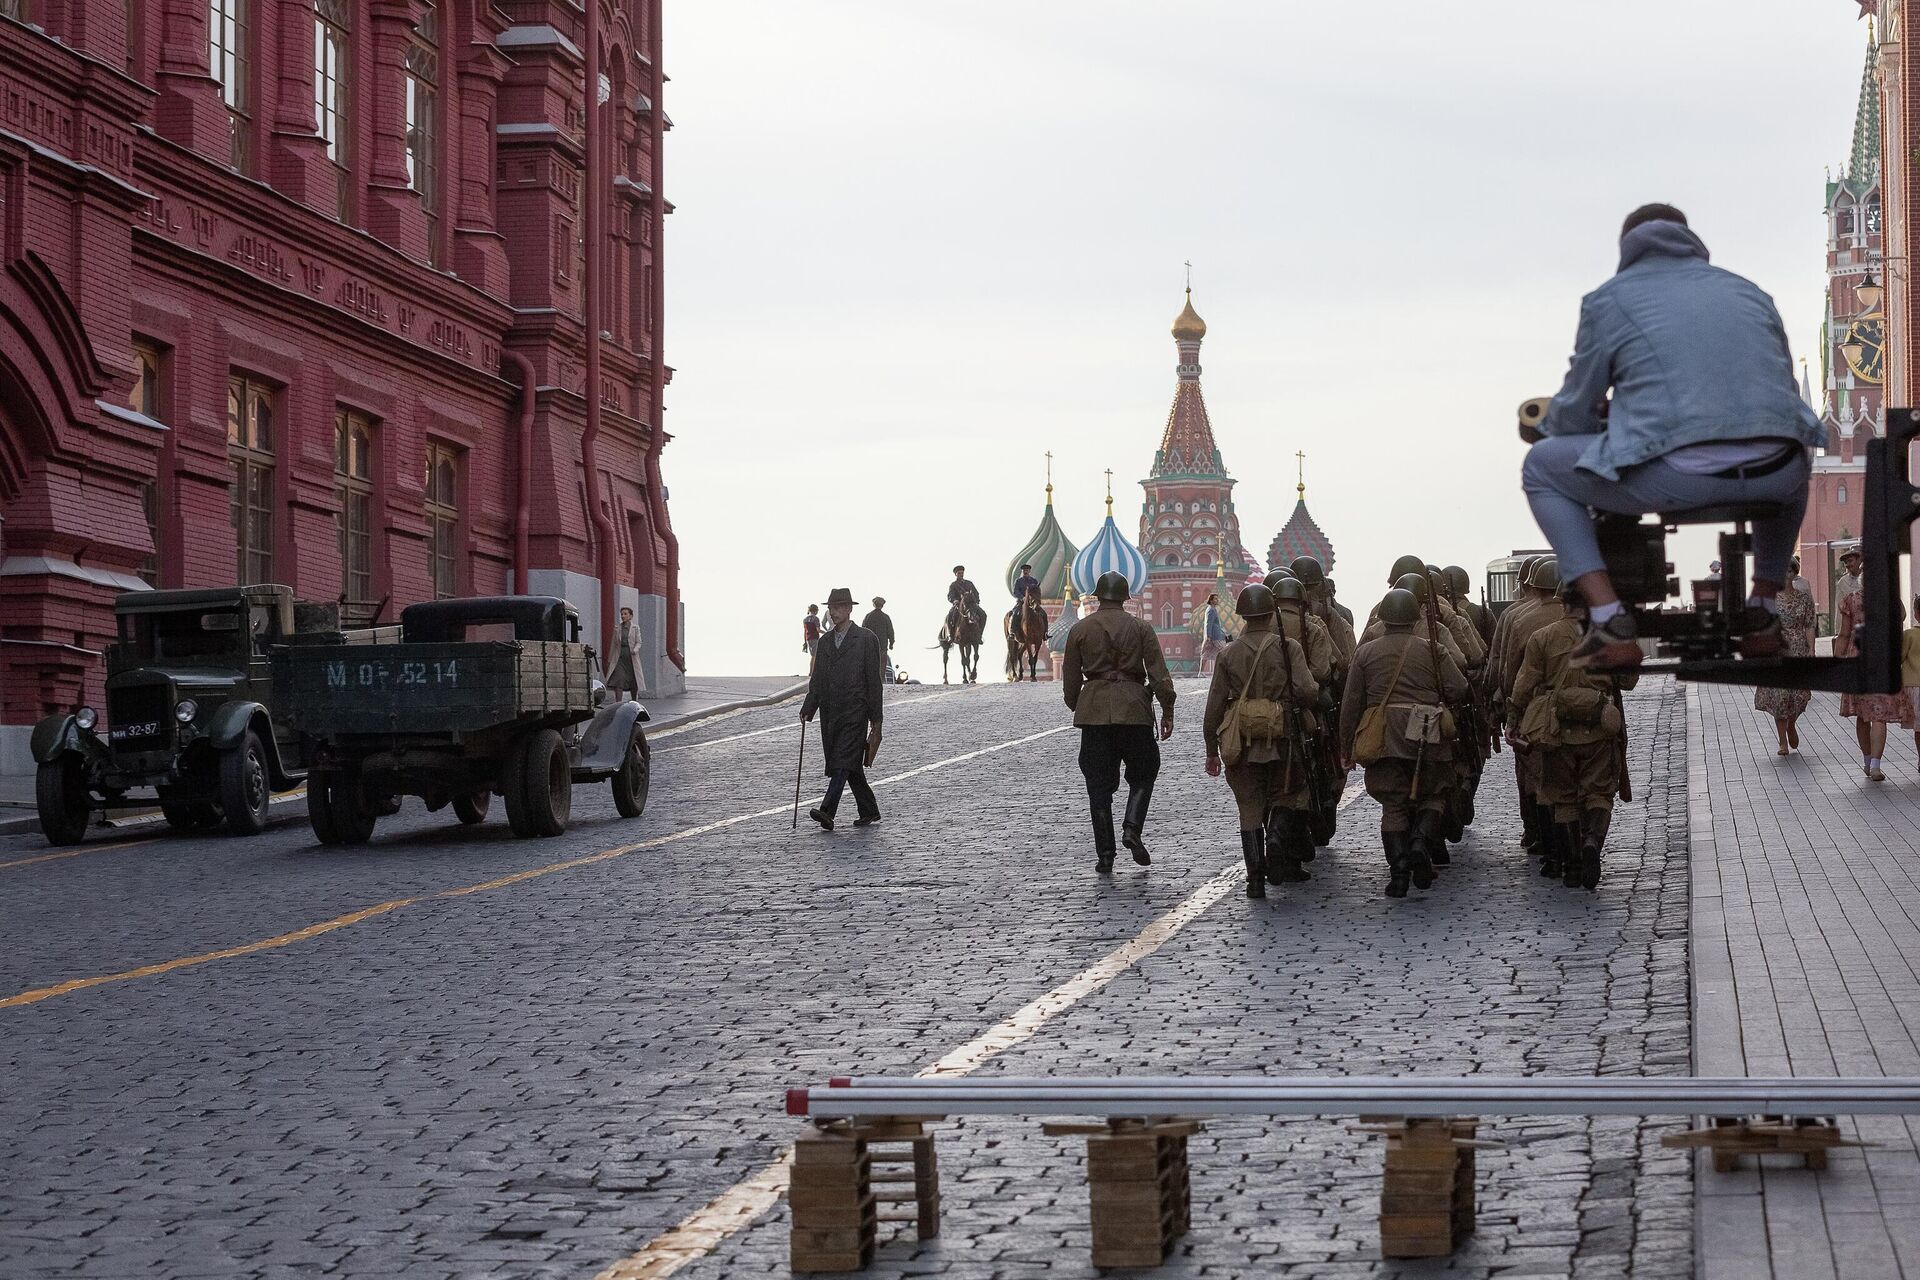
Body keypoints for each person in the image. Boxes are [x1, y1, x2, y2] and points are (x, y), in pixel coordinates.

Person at [1521, 204, 1823, 669]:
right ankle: (1763, 612)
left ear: (1628, 246)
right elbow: (1776, 395)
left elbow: (1575, 410)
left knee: (1542, 466)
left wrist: (1571, 422)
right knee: (1788, 453)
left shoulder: (1609, 299)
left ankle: (1609, 619)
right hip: (1778, 473)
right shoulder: (1750, 293)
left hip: (1682, 473)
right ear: (1689, 239)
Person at [1339, 587, 1469, 899]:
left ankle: (1398, 876)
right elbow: (1459, 688)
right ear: (1415, 618)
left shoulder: (1366, 652)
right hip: (1427, 729)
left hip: (1383, 734)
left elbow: (1351, 702)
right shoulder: (1434, 648)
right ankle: (1421, 842)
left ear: (1383, 618)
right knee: (1434, 792)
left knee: (1393, 805)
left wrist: (1345, 744)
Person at [1509, 587, 1638, 890]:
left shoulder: (1542, 637)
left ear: (1564, 604)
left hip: (1557, 731)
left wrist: (1513, 719)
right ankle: (1592, 841)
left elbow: (1525, 684)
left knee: (1563, 798)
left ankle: (1573, 867)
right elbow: (1629, 680)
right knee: (1599, 794)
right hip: (1599, 731)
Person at [1204, 584, 1320, 898]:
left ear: (1241, 615)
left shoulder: (1228, 653)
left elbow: (1214, 704)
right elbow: (1308, 691)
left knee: (1249, 809)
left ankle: (1255, 879)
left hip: (1241, 740)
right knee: (1286, 793)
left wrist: (1210, 748)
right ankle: (1277, 844)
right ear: (1271, 613)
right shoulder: (1289, 647)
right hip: (1283, 736)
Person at [1062, 570, 1175, 872]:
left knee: (1097, 785)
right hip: (1134, 711)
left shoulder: (1080, 629)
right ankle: (1132, 829)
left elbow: (1071, 683)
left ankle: (1105, 856)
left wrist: (1082, 705)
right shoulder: (1141, 627)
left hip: (1094, 712)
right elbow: (1158, 674)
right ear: (1126, 598)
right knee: (1144, 770)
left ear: (1098, 596)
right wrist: (1167, 709)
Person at [801, 588, 886, 831]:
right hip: (831, 713)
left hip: (855, 712)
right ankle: (869, 809)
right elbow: (817, 679)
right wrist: (809, 706)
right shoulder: (825, 642)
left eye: (839, 607)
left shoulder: (867, 639)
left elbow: (874, 682)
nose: (834, 612)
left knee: (842, 761)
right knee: (850, 764)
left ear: (849, 609)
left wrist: (876, 721)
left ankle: (827, 811)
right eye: (831, 608)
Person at [1835, 548, 1911, 782]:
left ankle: (1867, 760)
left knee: (1862, 714)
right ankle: (1876, 764)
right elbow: (1901, 621)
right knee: (1878, 713)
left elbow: (1844, 634)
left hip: (1857, 657)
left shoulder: (1851, 600)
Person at [1752, 558, 1815, 756]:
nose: (1786, 572)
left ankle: (1791, 724)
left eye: (1790, 569)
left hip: (1798, 648)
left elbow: (1810, 624)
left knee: (1799, 695)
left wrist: (1811, 649)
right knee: (1780, 695)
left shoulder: (1803, 598)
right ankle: (1782, 741)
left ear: (1795, 571)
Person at [607, 605, 643, 700]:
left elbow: (639, 642)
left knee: (633, 680)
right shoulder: (617, 628)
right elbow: (613, 645)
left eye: (625, 614)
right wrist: (610, 659)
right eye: (622, 614)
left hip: (631, 657)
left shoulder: (635, 628)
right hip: (619, 657)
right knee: (619, 679)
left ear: (631, 616)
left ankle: (634, 700)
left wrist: (635, 650)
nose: (623, 616)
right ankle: (618, 703)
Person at [862, 596, 896, 682]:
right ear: (882, 605)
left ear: (874, 604)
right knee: (882, 665)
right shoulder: (885, 617)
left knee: (871, 664)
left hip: (870, 645)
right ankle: (881, 680)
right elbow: (890, 631)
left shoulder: (868, 616)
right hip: (882, 645)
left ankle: (871, 680)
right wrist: (891, 643)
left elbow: (863, 630)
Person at [1905, 598, 1920, 767]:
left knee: (1919, 727)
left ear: (1915, 613)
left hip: (1914, 685)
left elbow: (1900, 656)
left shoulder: (1909, 635)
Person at [1199, 593, 1227, 675]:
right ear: (1211, 601)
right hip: (1215, 636)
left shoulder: (1212, 609)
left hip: (1212, 635)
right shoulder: (1211, 610)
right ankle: (1225, 672)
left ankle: (1200, 673)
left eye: (1217, 599)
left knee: (1206, 653)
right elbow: (1209, 623)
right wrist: (1208, 636)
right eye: (1215, 599)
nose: (1217, 600)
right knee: (1225, 652)